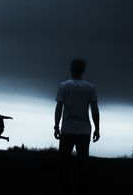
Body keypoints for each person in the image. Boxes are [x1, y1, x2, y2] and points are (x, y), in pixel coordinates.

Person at [54, 58, 100, 195]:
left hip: (67, 130)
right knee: (82, 166)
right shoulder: (90, 88)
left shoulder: (63, 86)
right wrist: (97, 128)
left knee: (64, 165)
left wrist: (56, 127)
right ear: (83, 70)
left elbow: (58, 109)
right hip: (84, 131)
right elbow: (95, 110)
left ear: (71, 69)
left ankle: (64, 190)